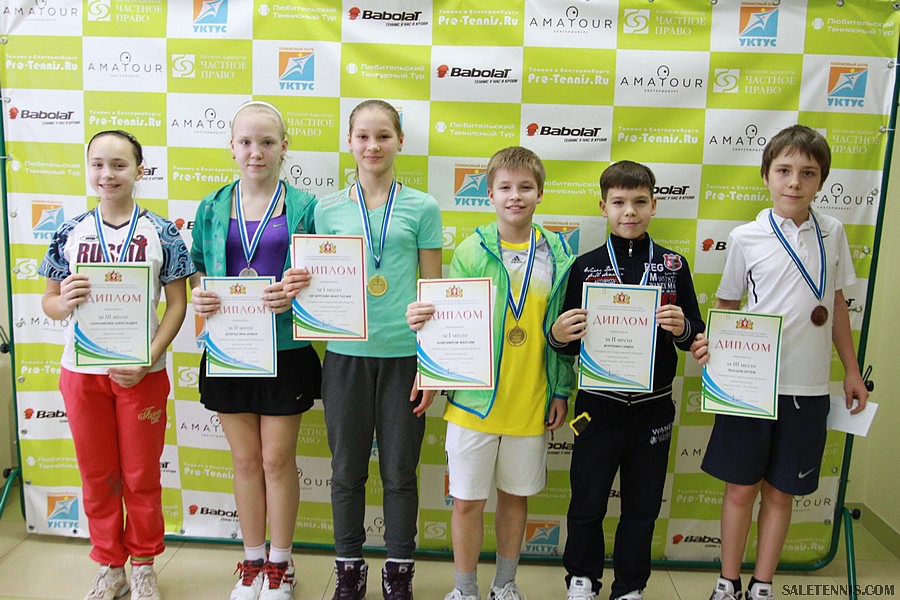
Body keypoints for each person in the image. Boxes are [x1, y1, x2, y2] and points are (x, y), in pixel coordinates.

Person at [690, 125, 869, 600]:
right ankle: (727, 582)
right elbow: (728, 305)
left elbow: (836, 306)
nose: (794, 182)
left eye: (807, 173)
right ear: (766, 175)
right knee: (740, 490)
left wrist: (851, 371)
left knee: (780, 492)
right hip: (750, 387)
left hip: (807, 388)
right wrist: (715, 353)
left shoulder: (833, 232)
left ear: (821, 180)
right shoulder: (745, 236)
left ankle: (762, 585)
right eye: (784, 171)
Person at [283, 99, 443, 600]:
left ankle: (399, 572)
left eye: (383, 136)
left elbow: (432, 293)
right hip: (345, 358)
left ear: (400, 141)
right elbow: (315, 280)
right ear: (349, 141)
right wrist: (297, 283)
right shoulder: (326, 208)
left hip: (404, 359)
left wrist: (431, 369)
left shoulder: (422, 207)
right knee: (346, 472)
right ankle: (349, 570)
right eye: (363, 136)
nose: (373, 146)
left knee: (399, 473)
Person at [406, 146, 575, 600]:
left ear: (540, 193)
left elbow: (562, 329)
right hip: (474, 403)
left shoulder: (558, 252)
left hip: (531, 398)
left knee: (515, 498)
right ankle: (464, 589)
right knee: (466, 501)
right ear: (490, 195)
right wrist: (428, 350)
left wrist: (560, 390)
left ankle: (505, 584)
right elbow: (450, 323)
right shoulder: (471, 250)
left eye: (525, 187)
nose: (515, 196)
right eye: (505, 187)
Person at [39, 130, 193, 600]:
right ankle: (110, 565)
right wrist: (63, 301)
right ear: (88, 168)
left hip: (141, 374)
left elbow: (178, 303)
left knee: (141, 475)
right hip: (82, 373)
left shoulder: (162, 232)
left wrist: (150, 357)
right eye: (98, 164)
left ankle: (143, 564)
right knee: (97, 474)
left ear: (139, 170)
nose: (107, 174)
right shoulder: (69, 232)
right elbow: (48, 302)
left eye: (119, 165)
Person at [549, 160, 704, 600]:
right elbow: (567, 344)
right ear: (603, 207)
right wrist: (557, 336)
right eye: (618, 202)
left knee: (642, 506)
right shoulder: (585, 267)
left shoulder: (673, 266)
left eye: (639, 202)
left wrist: (684, 329)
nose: (629, 211)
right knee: (587, 500)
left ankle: (630, 586)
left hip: (653, 409)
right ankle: (582, 578)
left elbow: (694, 334)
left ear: (654, 205)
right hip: (597, 408)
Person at [190, 100, 321, 600]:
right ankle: (251, 562)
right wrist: (201, 294)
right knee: (245, 461)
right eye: (246, 141)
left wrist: (297, 288)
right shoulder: (210, 206)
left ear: (284, 146)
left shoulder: (307, 206)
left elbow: (326, 275)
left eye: (267, 142)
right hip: (229, 347)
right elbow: (198, 267)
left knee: (276, 461)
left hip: (284, 348)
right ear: (232, 146)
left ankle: (281, 564)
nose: (256, 152)